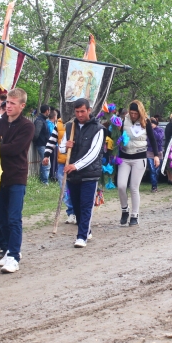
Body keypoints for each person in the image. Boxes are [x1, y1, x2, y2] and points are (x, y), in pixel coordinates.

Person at [0, 88, 34, 273]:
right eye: (7, 102)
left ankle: (14, 256)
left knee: (14, 217)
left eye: (13, 103)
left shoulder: (27, 126)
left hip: (16, 176)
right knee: (0, 217)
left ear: (22, 106)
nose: (8, 106)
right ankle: (7, 248)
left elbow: (15, 149)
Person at [59, 98, 106, 248]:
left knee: (86, 205)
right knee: (77, 205)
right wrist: (66, 146)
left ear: (89, 110)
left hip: (89, 173)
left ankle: (81, 236)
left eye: (82, 111)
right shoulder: (69, 127)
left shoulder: (98, 129)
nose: (79, 114)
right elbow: (60, 149)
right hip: (73, 175)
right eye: (77, 111)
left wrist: (76, 165)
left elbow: (93, 153)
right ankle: (86, 229)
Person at [117, 100, 160, 226]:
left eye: (136, 113)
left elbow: (152, 139)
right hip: (125, 157)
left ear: (140, 112)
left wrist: (156, 156)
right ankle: (125, 209)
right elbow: (117, 135)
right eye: (131, 113)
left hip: (139, 157)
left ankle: (134, 215)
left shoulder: (145, 122)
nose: (133, 115)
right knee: (121, 185)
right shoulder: (124, 120)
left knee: (134, 187)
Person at [42, 115, 76, 224]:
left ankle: (78, 212)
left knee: (76, 188)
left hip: (77, 163)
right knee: (65, 189)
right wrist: (46, 155)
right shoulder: (59, 124)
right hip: (63, 162)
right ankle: (71, 212)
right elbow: (52, 141)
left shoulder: (79, 123)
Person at [33, 104, 51, 184]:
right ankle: (44, 181)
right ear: (47, 111)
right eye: (49, 111)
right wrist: (35, 141)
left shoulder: (43, 120)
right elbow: (36, 134)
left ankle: (43, 179)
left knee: (44, 162)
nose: (49, 112)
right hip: (41, 144)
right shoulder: (40, 120)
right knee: (46, 162)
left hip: (44, 144)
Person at [147, 118, 164, 193]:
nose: (151, 125)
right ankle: (154, 186)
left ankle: (155, 183)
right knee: (152, 170)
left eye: (152, 124)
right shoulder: (147, 131)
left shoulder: (160, 130)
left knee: (157, 171)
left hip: (159, 152)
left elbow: (158, 138)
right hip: (149, 152)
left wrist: (152, 130)